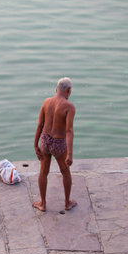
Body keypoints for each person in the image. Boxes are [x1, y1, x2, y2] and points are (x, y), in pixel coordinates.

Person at [33, 77, 77, 212]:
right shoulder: (69, 107)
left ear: (56, 89)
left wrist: (36, 145)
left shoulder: (46, 102)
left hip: (45, 140)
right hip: (58, 142)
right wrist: (69, 154)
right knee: (65, 172)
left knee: (43, 172)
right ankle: (67, 202)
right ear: (68, 91)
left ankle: (43, 203)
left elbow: (40, 124)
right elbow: (69, 131)